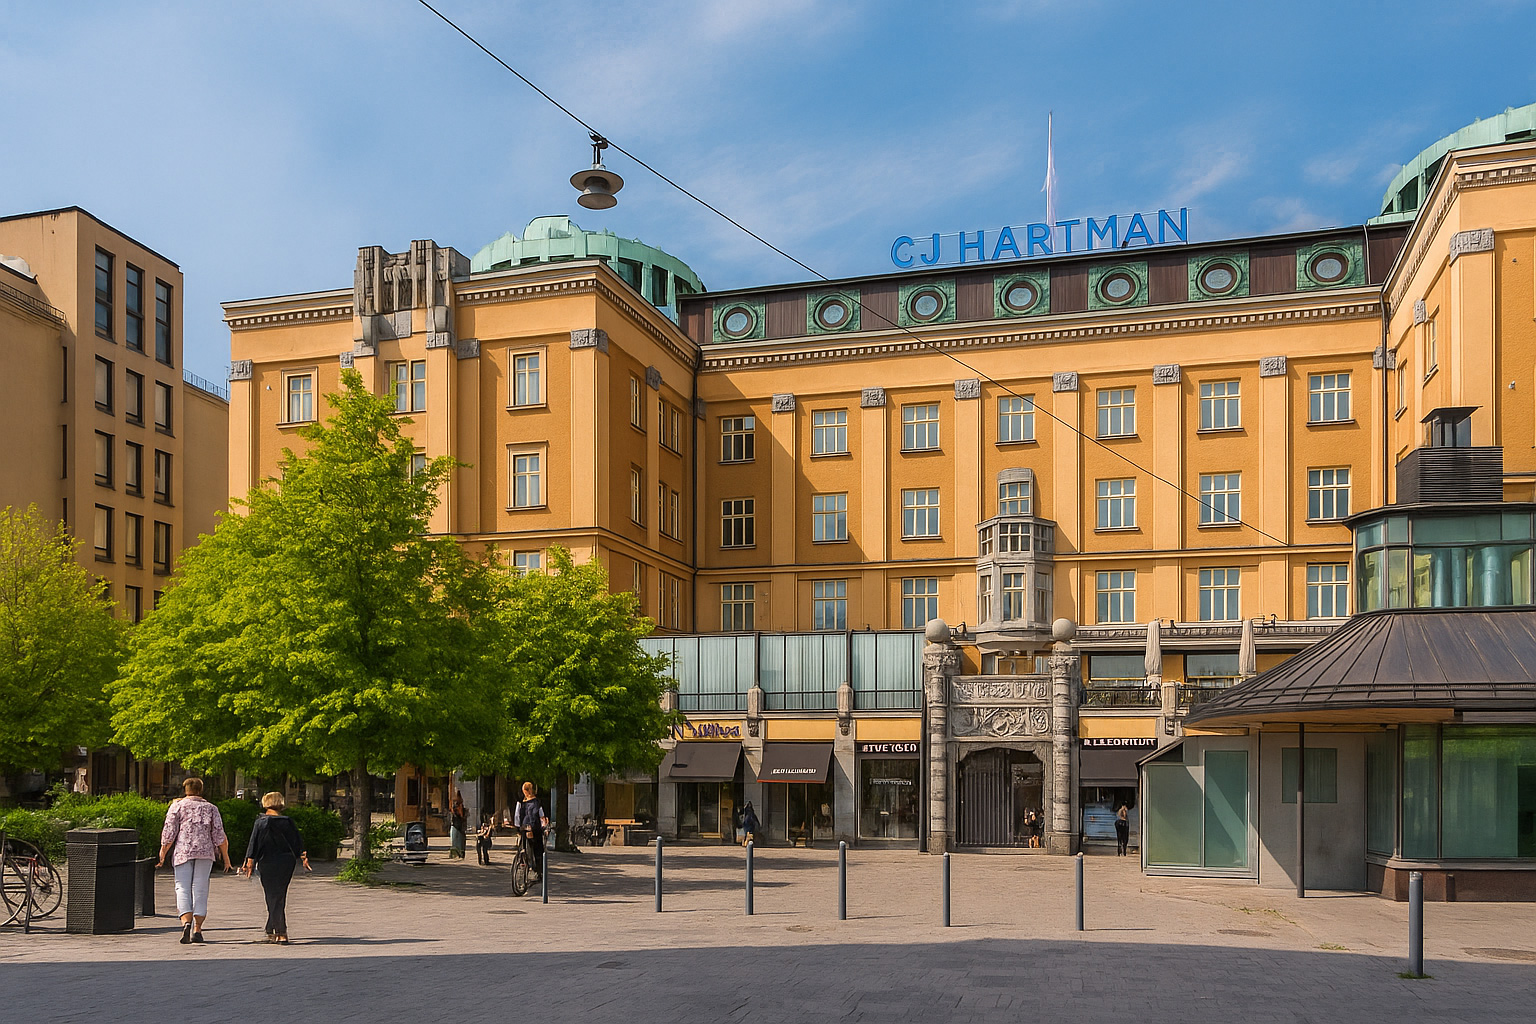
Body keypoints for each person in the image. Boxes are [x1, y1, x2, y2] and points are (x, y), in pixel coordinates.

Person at [157, 777, 233, 944]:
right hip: (205, 853)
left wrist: (163, 853)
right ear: (201, 789)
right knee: (200, 888)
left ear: (185, 789)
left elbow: (169, 832)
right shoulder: (211, 808)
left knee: (182, 887)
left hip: (183, 852)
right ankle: (197, 929)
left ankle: (186, 922)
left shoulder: (177, 806)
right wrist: (226, 859)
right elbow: (220, 835)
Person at [240, 791, 310, 944]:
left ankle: (281, 931)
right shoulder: (288, 821)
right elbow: (297, 842)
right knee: (279, 895)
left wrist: (249, 861)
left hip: (267, 861)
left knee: (272, 895)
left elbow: (254, 843)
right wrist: (303, 857)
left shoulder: (261, 822)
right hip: (286, 861)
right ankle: (270, 927)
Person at [513, 782, 548, 877]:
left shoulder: (521, 802)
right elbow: (541, 816)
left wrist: (518, 827)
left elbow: (517, 815)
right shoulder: (537, 802)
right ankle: (538, 871)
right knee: (538, 849)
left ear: (525, 791)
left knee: (524, 845)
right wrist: (544, 827)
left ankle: (524, 862)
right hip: (535, 828)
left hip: (524, 827)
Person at [449, 792, 467, 860]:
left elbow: (462, 816)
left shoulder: (461, 807)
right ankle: (456, 854)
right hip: (456, 825)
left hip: (459, 826)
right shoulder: (455, 807)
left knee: (459, 841)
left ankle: (460, 854)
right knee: (455, 841)